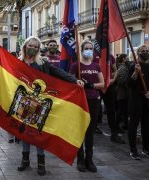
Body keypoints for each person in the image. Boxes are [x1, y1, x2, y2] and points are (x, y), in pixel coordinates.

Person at [17, 36, 84, 176]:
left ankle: (41, 163)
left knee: (38, 132)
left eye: (36, 47)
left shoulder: (43, 62)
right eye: (31, 45)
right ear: (25, 46)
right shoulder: (18, 62)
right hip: (23, 102)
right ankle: (25, 160)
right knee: (24, 133)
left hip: (39, 103)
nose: (33, 48)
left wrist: (75, 80)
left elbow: (59, 73)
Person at [69, 40, 104, 173]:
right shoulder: (75, 65)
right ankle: (80, 160)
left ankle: (90, 160)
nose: (89, 50)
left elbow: (102, 83)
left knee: (90, 131)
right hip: (80, 102)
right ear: (81, 50)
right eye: (86, 48)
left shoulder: (96, 66)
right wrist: (77, 84)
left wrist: (91, 85)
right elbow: (70, 82)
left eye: (91, 48)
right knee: (80, 131)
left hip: (94, 101)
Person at [128, 44, 149, 160]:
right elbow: (130, 84)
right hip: (136, 100)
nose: (146, 52)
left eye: (147, 51)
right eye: (143, 51)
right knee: (133, 125)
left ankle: (146, 149)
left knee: (146, 125)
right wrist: (135, 73)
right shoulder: (134, 66)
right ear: (138, 53)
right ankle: (133, 150)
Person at [116, 54, 129, 130]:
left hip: (123, 91)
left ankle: (125, 124)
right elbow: (121, 80)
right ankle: (117, 126)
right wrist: (127, 86)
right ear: (123, 59)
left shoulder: (123, 67)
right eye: (126, 58)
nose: (127, 59)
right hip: (122, 91)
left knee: (123, 109)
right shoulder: (122, 67)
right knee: (121, 109)